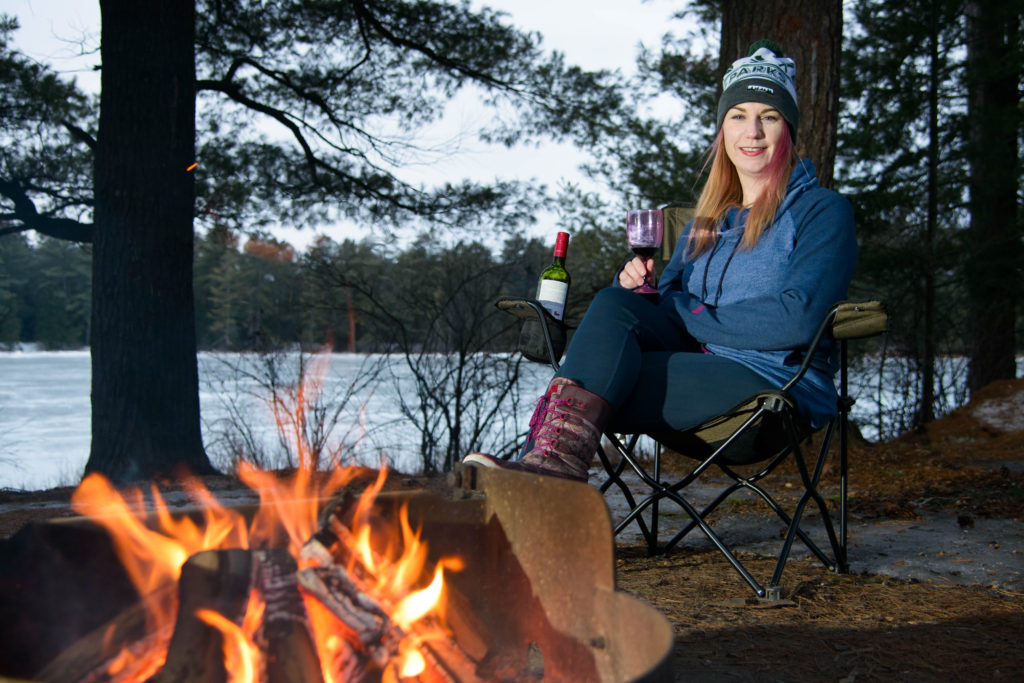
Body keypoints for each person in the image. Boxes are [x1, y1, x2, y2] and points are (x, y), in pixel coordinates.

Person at [464, 39, 858, 482]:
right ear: (723, 131)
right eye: (738, 117)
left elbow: (799, 318)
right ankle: (544, 474)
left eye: (768, 117)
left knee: (594, 383)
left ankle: (541, 478)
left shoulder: (822, 211)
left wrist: (688, 313)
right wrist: (637, 288)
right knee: (614, 305)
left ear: (788, 128)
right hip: (696, 367)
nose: (753, 132)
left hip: (772, 386)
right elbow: (666, 301)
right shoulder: (705, 224)